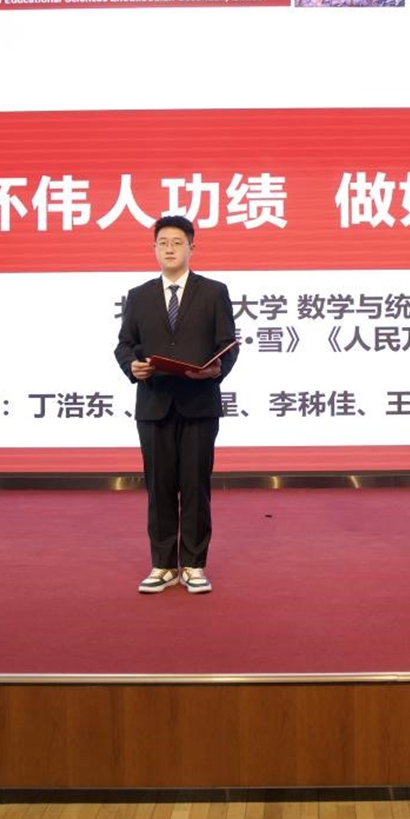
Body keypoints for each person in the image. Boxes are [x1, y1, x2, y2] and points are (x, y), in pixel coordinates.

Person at [115, 215, 239, 595]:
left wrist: (216, 370)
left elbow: (228, 344)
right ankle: (164, 565)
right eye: (163, 243)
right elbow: (124, 344)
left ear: (191, 248)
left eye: (177, 242)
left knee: (196, 487)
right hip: (154, 404)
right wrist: (131, 367)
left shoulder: (214, 292)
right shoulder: (138, 296)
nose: (169, 249)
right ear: (154, 249)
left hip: (199, 404)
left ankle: (195, 565)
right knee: (160, 488)